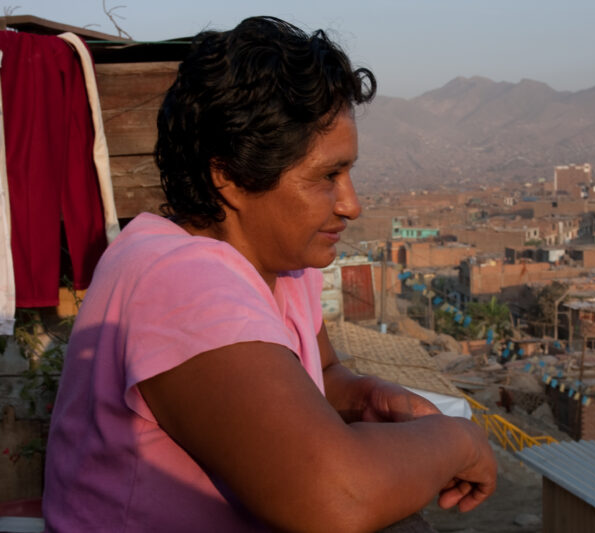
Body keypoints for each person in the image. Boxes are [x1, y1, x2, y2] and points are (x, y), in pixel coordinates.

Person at [43, 16, 496, 532]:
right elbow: (333, 497)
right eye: (327, 176)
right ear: (231, 176)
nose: (351, 204)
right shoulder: (181, 281)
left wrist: (365, 397)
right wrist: (461, 443)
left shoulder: (282, 261)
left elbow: (320, 374)